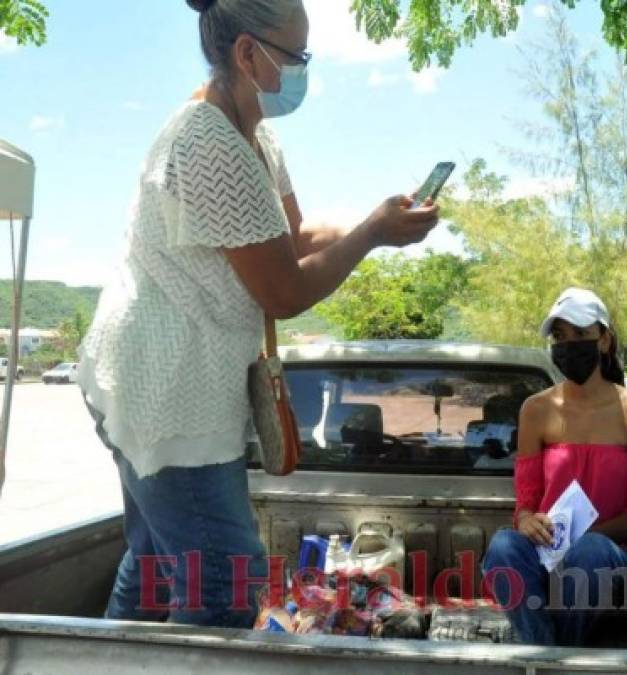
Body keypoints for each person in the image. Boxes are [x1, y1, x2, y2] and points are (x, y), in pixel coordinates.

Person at [77, 0, 439, 628]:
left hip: (143, 384)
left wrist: (377, 216)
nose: (302, 71)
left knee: (157, 565)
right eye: (295, 56)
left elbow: (291, 237)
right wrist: (375, 235)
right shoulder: (208, 142)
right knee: (222, 584)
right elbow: (285, 293)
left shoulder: (254, 137)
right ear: (248, 54)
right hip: (168, 399)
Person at [481, 288, 627, 646]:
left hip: (609, 557)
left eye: (580, 334)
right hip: (550, 550)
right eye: (560, 336)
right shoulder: (536, 409)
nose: (568, 344)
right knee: (502, 547)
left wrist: (581, 542)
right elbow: (525, 503)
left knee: (588, 552)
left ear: (604, 340)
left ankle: (553, 654)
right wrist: (529, 521)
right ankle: (546, 650)